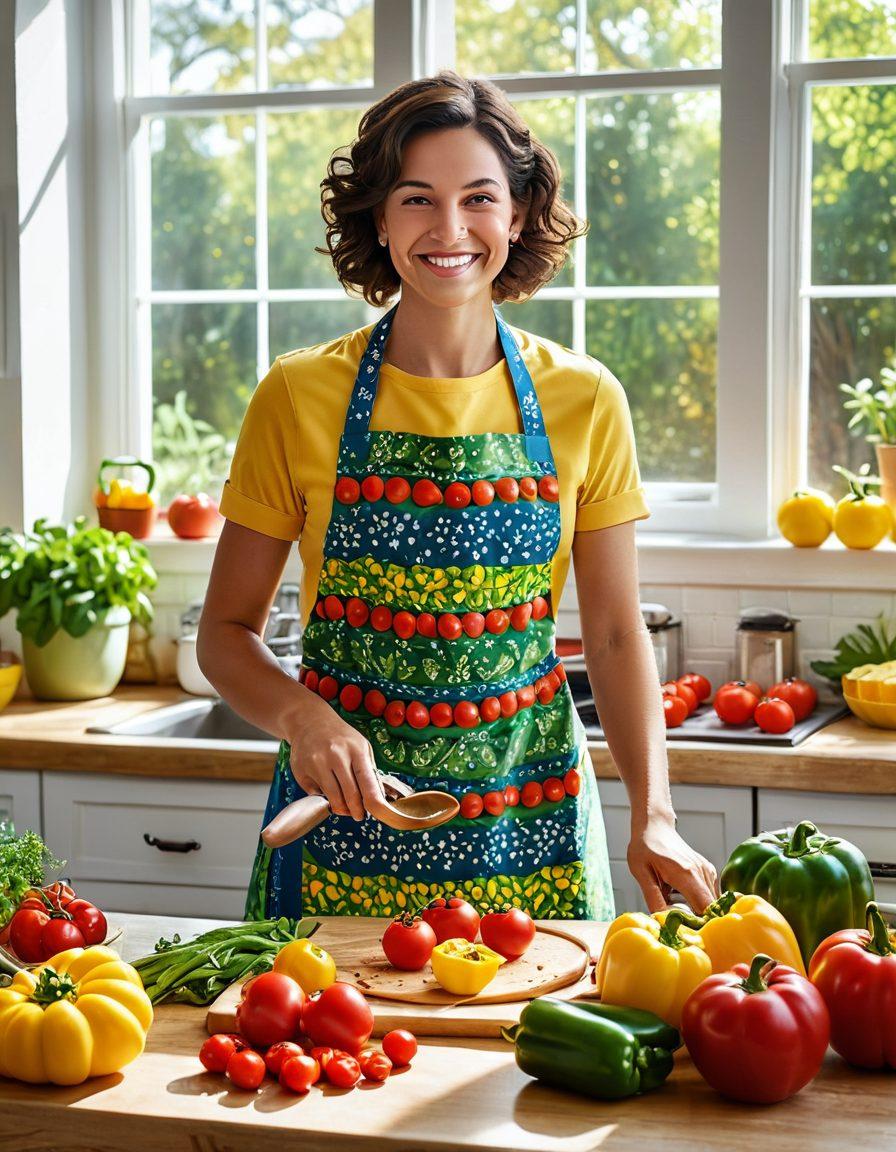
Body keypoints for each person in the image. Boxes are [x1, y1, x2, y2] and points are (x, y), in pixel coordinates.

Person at [197, 71, 719, 923]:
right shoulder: (295, 396)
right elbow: (224, 633)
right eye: (416, 199)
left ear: (516, 214)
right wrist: (302, 718)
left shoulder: (585, 397)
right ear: (377, 217)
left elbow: (620, 635)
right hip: (346, 822)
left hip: (528, 818)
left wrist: (654, 814)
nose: (449, 230)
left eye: (478, 198)